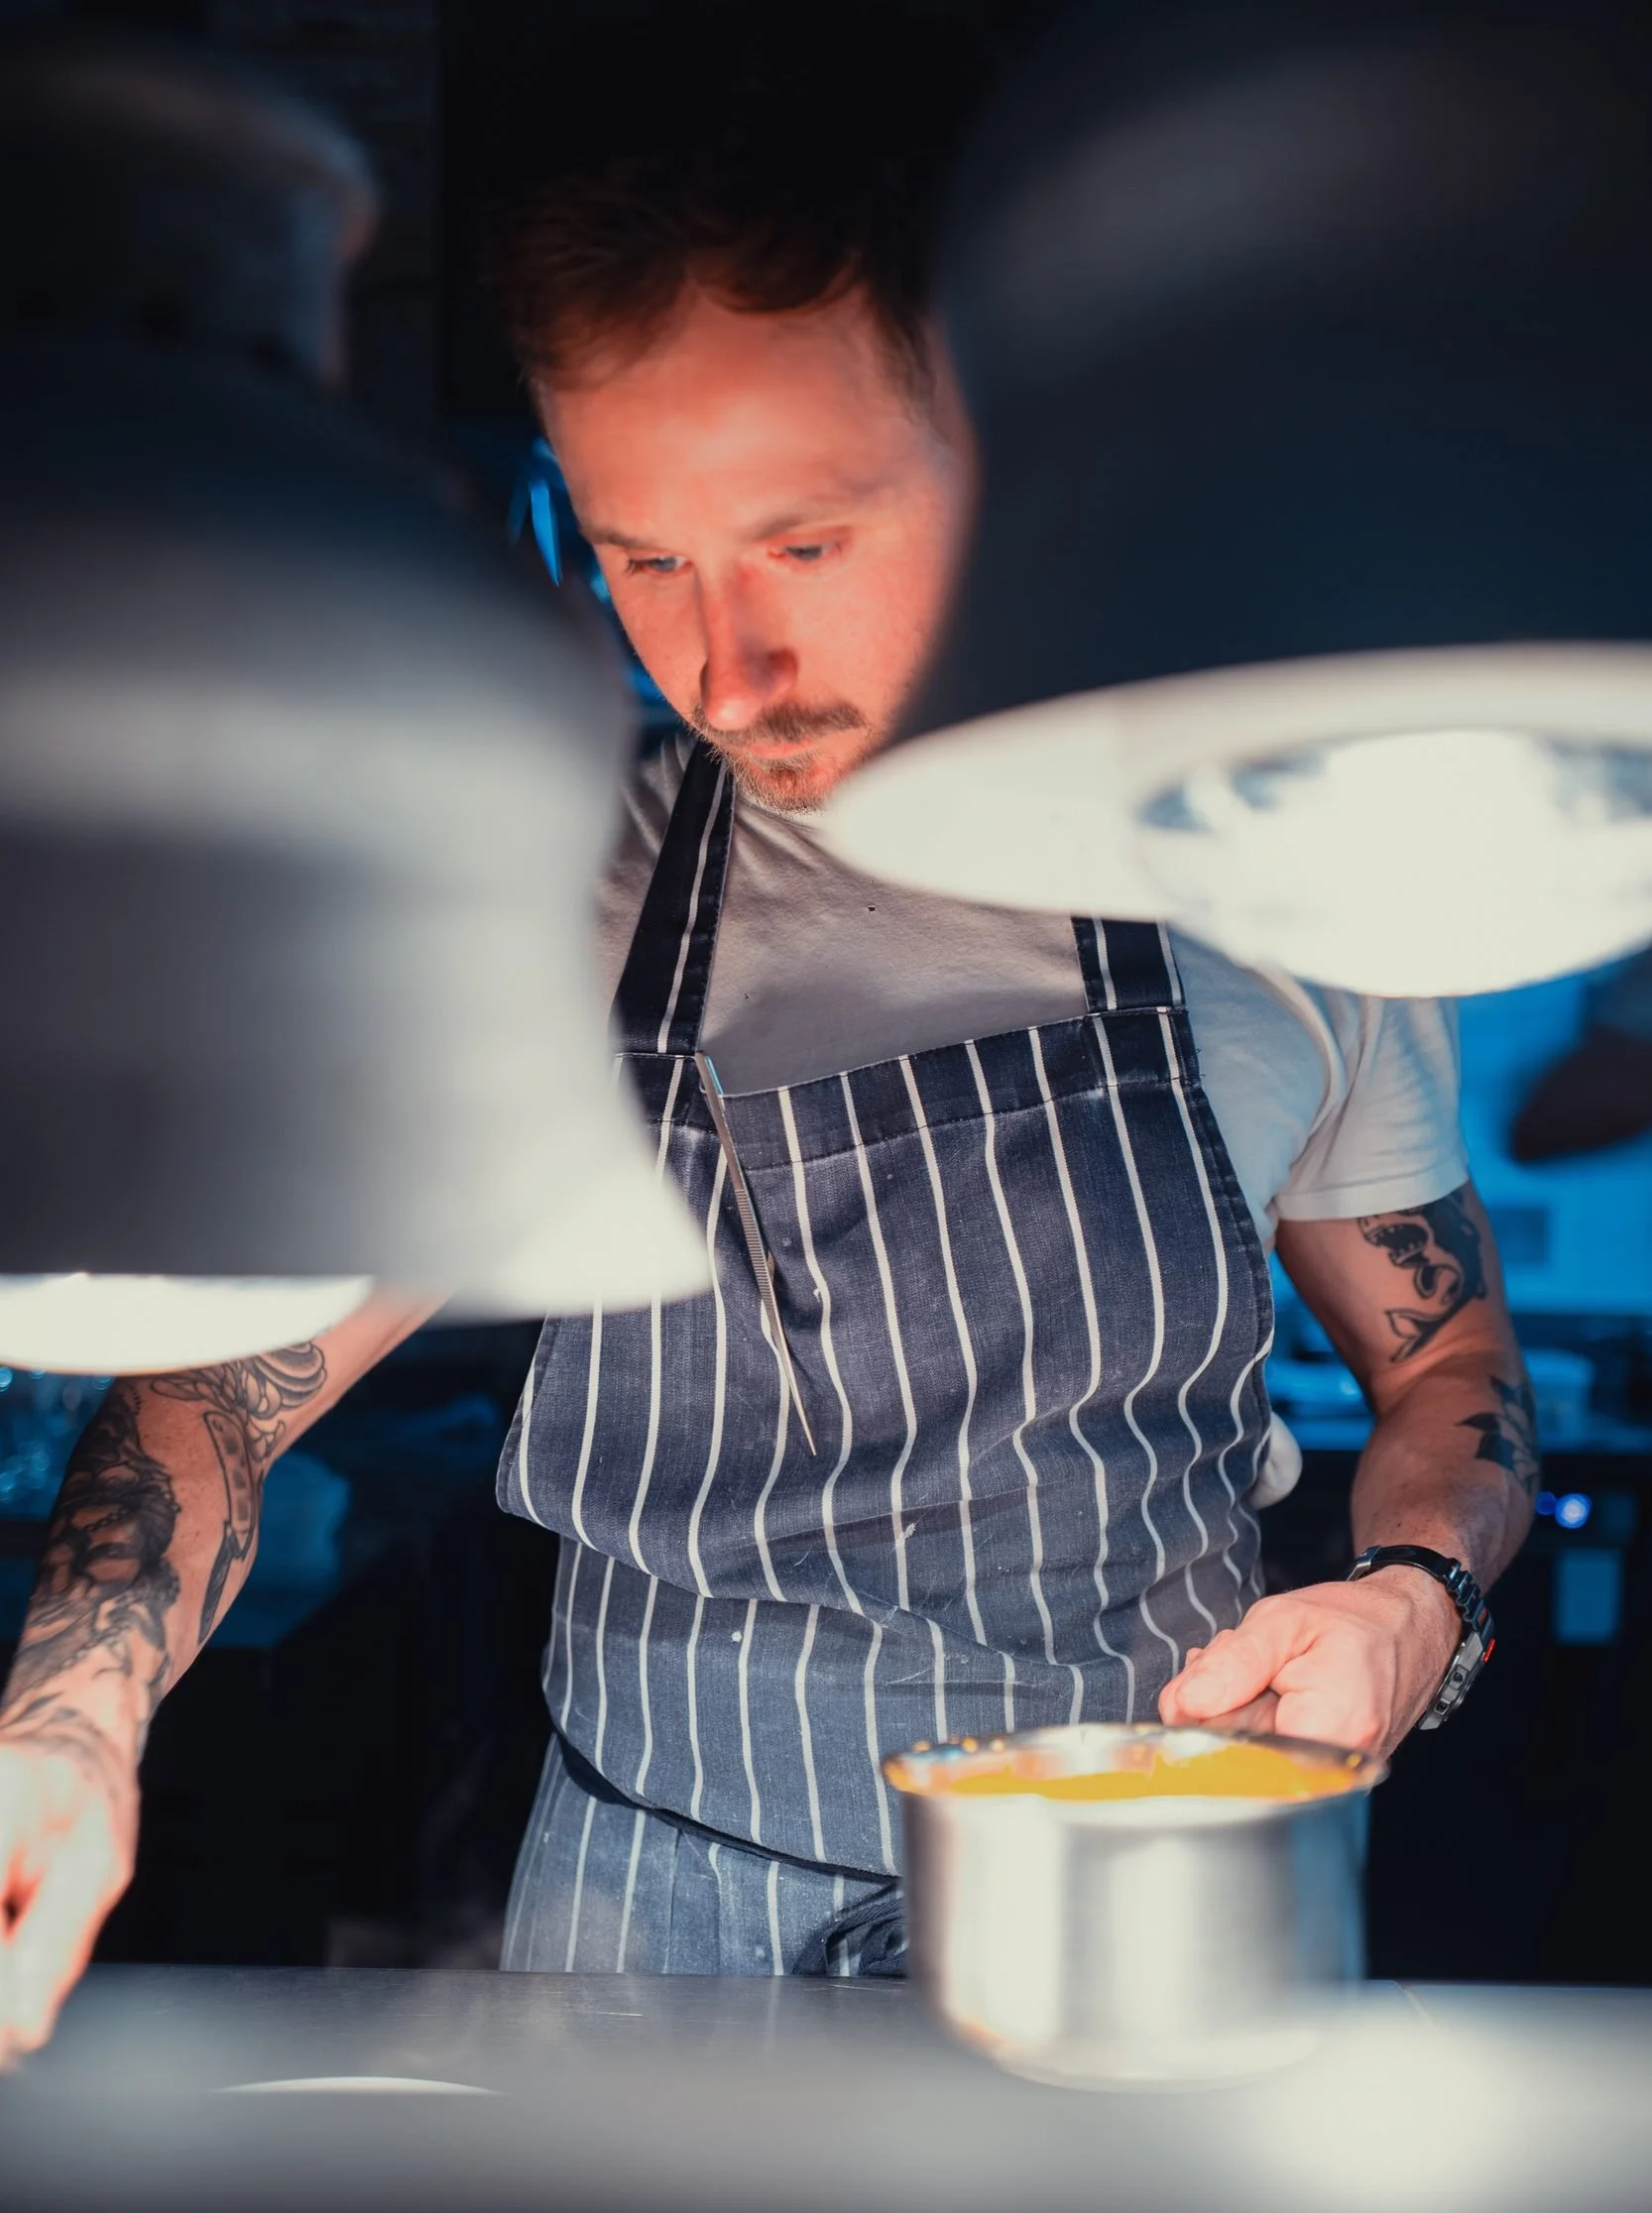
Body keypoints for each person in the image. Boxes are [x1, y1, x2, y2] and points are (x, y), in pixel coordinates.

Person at [0, 25, 1535, 2053]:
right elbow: (218, 1391)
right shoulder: (546, 902)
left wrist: (1405, 1598)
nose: (721, 661)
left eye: (803, 541)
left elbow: (1441, 1359)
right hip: (644, 1927)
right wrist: (64, 1721)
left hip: (1149, 1892)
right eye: (644, 557)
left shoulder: (1265, 868)